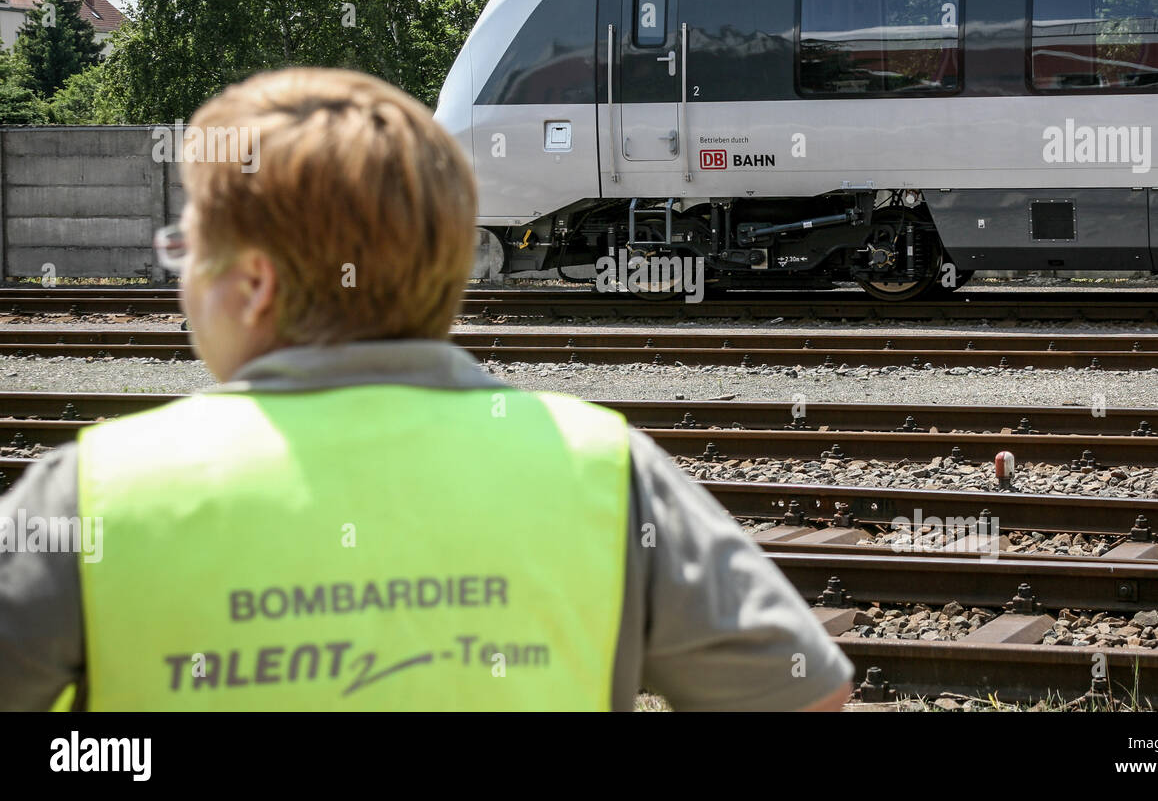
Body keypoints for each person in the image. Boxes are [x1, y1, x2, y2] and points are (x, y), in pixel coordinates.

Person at [0, 68, 853, 711]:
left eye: (184, 252)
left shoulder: (91, 494)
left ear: (254, 285)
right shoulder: (602, 470)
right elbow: (806, 695)